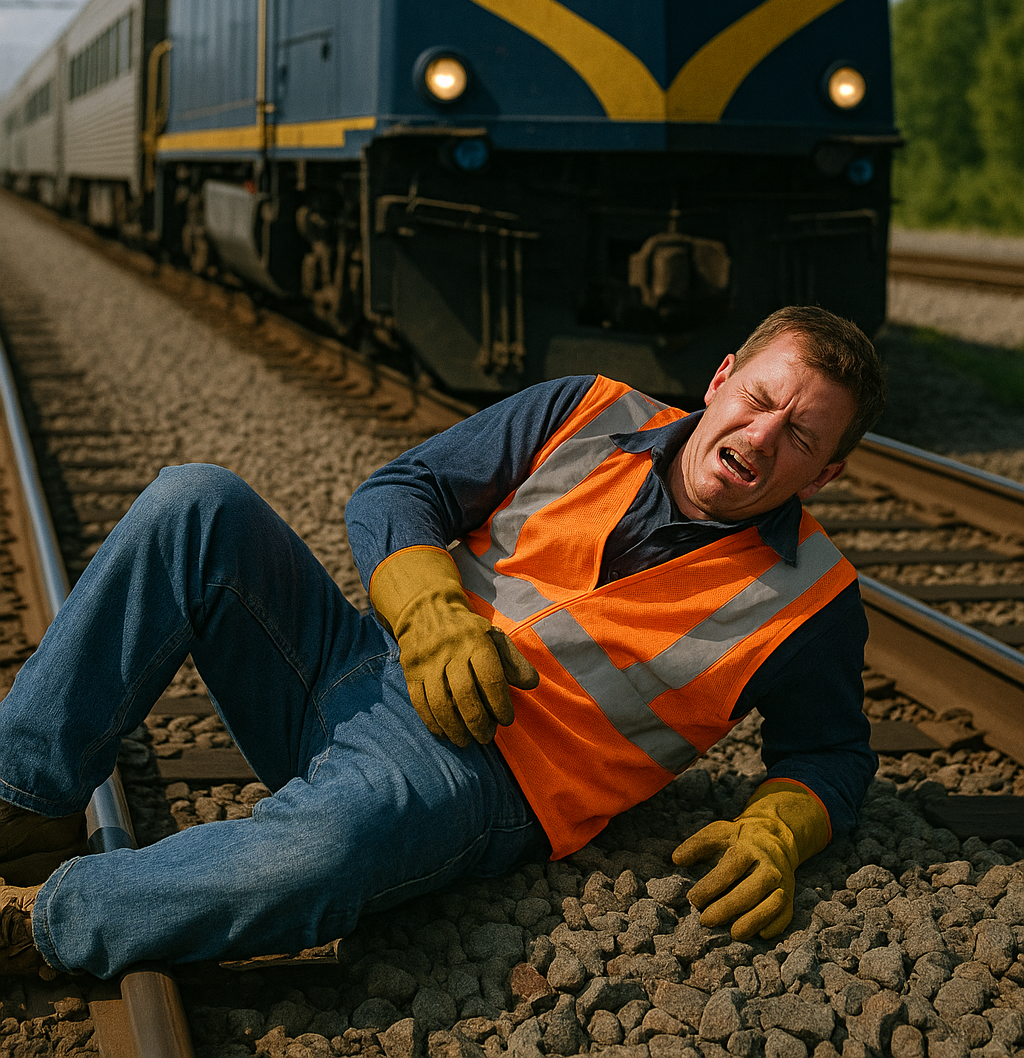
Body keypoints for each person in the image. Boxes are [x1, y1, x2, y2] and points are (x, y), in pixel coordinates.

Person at [0, 304, 885, 980]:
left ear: (829, 473)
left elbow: (832, 750)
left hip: (474, 778)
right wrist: (429, 614)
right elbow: (401, 490)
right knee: (196, 501)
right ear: (723, 377)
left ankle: (44, 924)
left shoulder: (814, 600)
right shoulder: (587, 409)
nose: (762, 436)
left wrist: (779, 828)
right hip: (356, 664)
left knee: (324, 851)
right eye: (761, 399)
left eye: (800, 435)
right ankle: (23, 797)